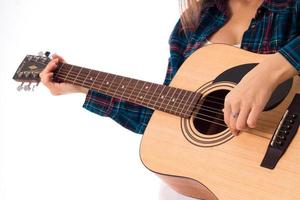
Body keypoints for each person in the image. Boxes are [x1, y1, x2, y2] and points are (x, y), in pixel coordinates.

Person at [40, 0, 300, 136]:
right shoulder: (195, 21)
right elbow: (164, 117)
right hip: (239, 175)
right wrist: (83, 86)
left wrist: (271, 70)